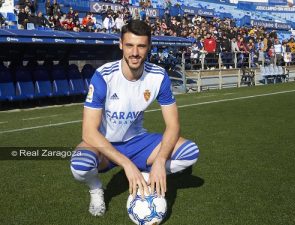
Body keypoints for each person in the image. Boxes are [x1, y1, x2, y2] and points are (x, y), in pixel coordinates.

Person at [70, 20, 200, 217]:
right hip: (104, 145)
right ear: (121, 44)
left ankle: (148, 176)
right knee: (80, 165)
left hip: (138, 141)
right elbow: (88, 132)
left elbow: (173, 125)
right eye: (129, 45)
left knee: (190, 152)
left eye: (141, 46)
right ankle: (96, 188)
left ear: (149, 47)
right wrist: (127, 165)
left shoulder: (158, 76)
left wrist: (160, 161)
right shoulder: (104, 77)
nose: (135, 52)